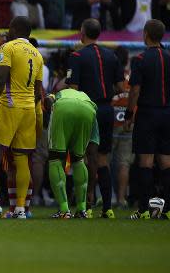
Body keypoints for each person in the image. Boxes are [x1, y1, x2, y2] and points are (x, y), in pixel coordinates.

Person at [0, 16, 44, 219]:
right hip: (28, 109)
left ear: (15, 29)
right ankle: (20, 209)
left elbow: (1, 77)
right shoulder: (37, 54)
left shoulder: (7, 48)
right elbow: (38, 90)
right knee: (22, 157)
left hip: (9, 105)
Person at [65, 18, 124, 219]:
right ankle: (107, 207)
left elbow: (73, 88)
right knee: (102, 158)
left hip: (87, 108)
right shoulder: (112, 56)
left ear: (82, 32)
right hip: (107, 109)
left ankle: (86, 205)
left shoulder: (76, 56)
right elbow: (120, 87)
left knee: (85, 156)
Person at [125, 19, 170, 220]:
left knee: (145, 161)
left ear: (145, 34)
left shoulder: (140, 59)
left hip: (147, 114)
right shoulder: (169, 57)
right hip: (167, 113)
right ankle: (167, 209)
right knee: (166, 161)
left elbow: (134, 90)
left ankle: (144, 209)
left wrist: (128, 114)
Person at [45, 88, 99, 219]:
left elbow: (48, 100)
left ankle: (64, 210)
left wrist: (51, 115)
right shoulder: (84, 96)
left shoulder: (58, 94)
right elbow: (93, 146)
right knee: (78, 159)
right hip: (89, 109)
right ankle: (82, 210)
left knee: (55, 159)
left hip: (63, 107)